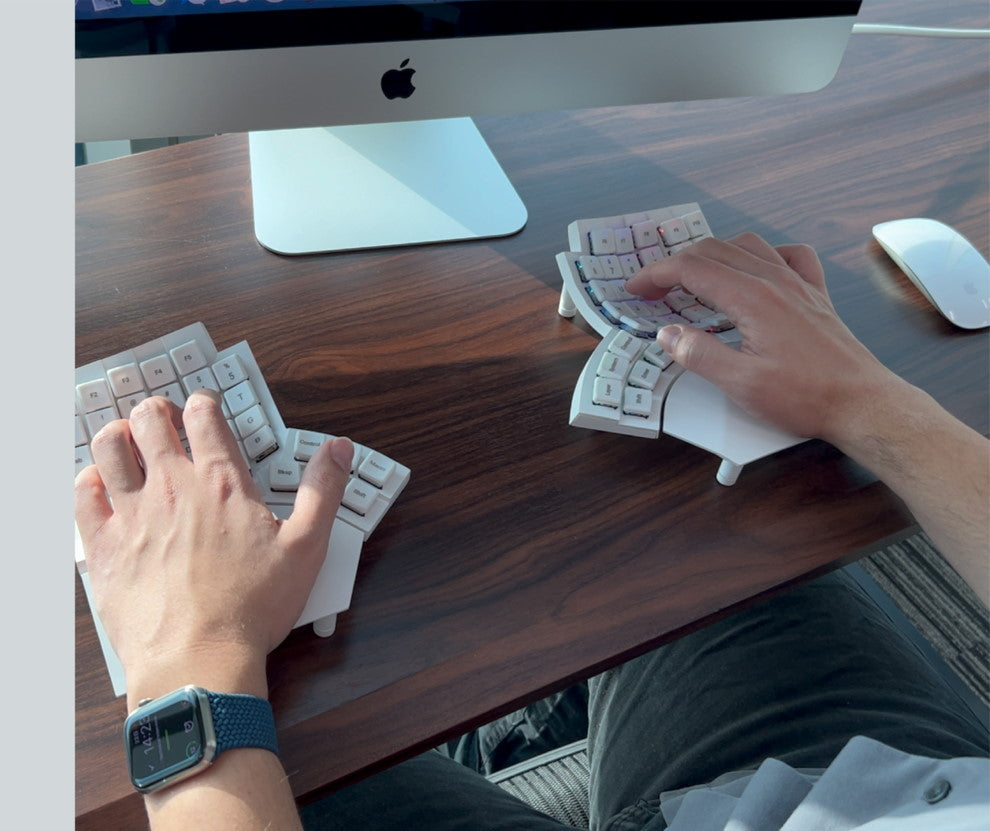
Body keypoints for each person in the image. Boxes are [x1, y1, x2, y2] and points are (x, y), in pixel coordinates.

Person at [75, 233, 989, 830]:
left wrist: (186, 662)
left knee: (257, 759)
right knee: (725, 537)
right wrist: (871, 403)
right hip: (889, 785)